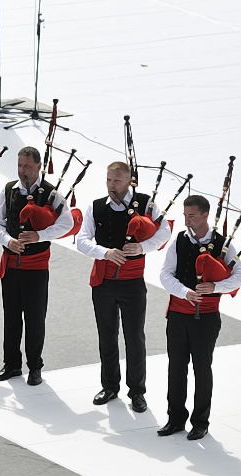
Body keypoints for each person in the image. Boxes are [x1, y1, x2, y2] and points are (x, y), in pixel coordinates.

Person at [77, 161, 170, 412]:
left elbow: (165, 231)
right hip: (104, 282)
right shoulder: (96, 206)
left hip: (132, 283)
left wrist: (143, 247)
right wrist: (105, 252)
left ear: (129, 180)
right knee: (107, 336)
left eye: (117, 180)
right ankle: (109, 386)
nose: (111, 185)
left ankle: (137, 392)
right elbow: (82, 241)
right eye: (108, 180)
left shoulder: (145, 203)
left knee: (134, 338)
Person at [158, 195, 241, 440]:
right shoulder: (179, 241)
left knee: (201, 368)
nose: (187, 220)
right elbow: (166, 275)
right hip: (178, 314)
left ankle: (200, 422)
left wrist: (215, 286)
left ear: (206, 215)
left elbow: (240, 276)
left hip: (206, 318)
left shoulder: (223, 243)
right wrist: (185, 292)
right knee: (176, 368)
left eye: (192, 216)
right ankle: (175, 418)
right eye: (185, 215)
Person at [0, 146, 73, 386]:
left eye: (27, 166)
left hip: (36, 268)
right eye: (19, 165)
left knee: (35, 318)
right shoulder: (9, 190)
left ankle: (35, 366)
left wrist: (41, 235)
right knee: (11, 317)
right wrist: (8, 240)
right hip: (11, 265)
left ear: (38, 166)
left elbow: (66, 224)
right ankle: (12, 364)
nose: (22, 170)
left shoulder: (51, 194)